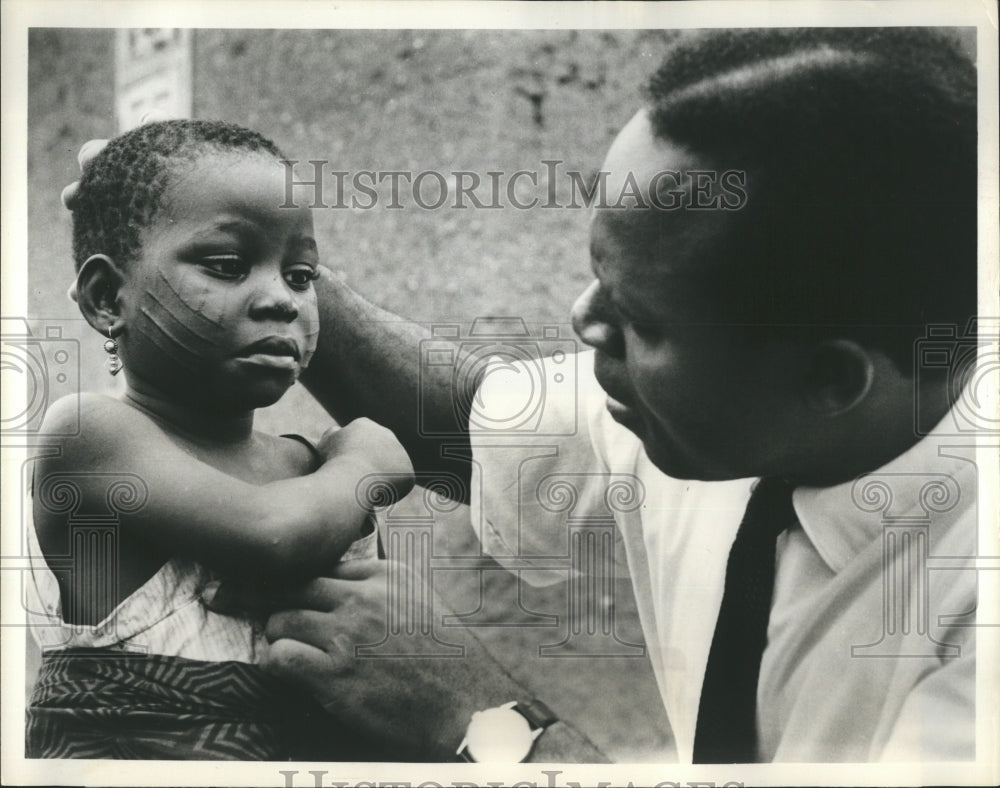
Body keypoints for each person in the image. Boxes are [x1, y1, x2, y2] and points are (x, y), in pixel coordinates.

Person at [68, 28, 983, 763]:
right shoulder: (709, 407)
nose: (585, 323)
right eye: (596, 275)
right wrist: (265, 280)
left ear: (831, 378)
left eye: (641, 322)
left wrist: (477, 715)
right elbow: (473, 421)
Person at [28, 119, 414, 759]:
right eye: (229, 265)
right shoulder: (90, 435)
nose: (282, 300)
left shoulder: (310, 467)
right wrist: (368, 459)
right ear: (106, 297)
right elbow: (274, 537)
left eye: (300, 274)